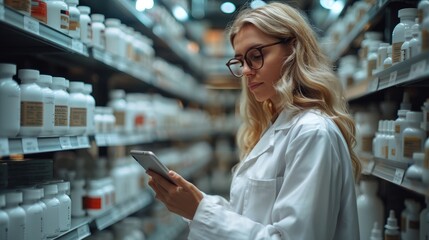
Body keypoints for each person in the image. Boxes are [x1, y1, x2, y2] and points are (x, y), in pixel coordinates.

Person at [147, 2, 361, 239]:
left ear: (293, 49)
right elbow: (251, 216)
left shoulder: (312, 132)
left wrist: (201, 212)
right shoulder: (277, 126)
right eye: (240, 61)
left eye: (256, 56)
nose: (246, 70)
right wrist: (197, 203)